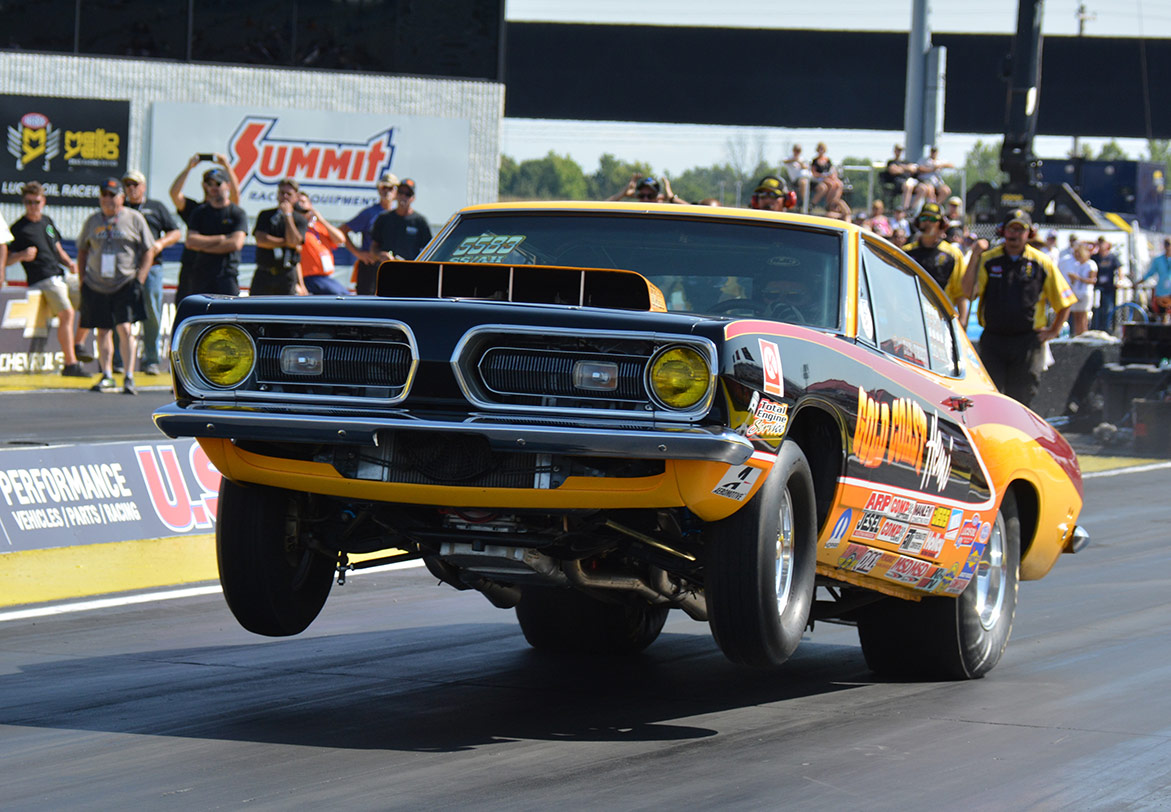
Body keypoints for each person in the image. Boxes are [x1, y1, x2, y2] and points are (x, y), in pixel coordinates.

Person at [962, 209, 1076, 405]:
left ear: (1029, 233)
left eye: (1020, 229)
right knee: (990, 397)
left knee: (1022, 398)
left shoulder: (1041, 262)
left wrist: (1053, 331)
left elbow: (1065, 301)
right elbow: (968, 292)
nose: (1014, 234)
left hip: (1027, 343)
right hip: (993, 340)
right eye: (1010, 229)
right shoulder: (989, 259)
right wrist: (974, 257)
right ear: (1003, 232)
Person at [76, 179, 155, 394]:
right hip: (97, 284)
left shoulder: (135, 219)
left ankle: (129, 376)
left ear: (122, 198)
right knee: (102, 331)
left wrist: (140, 278)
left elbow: (149, 249)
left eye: (112, 195)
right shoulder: (93, 221)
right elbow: (82, 250)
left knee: (125, 329)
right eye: (104, 194)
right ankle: (107, 374)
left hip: (125, 283)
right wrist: (82, 278)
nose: (108, 199)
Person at [5, 182, 86, 376]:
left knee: (91, 298)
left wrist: (70, 263)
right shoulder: (18, 228)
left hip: (60, 273)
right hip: (42, 277)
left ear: (43, 201)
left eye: (36, 202)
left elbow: (57, 248)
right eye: (28, 202)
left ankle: (78, 343)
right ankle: (70, 363)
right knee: (67, 313)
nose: (32, 206)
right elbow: (4, 259)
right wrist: (21, 255)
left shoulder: (47, 222)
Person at [122, 170, 181, 375]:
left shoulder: (156, 207)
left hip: (153, 266)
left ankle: (151, 359)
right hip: (125, 268)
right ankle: (119, 359)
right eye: (127, 185)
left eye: (135, 184)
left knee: (151, 312)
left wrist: (160, 243)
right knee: (121, 312)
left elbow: (176, 232)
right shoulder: (120, 207)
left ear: (143, 187)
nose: (131, 188)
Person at [174, 167, 248, 302]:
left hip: (226, 275)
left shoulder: (236, 212)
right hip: (201, 274)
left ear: (227, 185)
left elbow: (235, 244)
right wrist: (221, 238)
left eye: (218, 184)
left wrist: (203, 245)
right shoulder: (199, 211)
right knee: (199, 315)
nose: (213, 187)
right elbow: (191, 242)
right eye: (209, 184)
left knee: (228, 316)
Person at [903, 202, 967, 319]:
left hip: (941, 318)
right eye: (924, 218)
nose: (927, 223)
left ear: (941, 224)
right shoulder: (906, 253)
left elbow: (960, 293)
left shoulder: (953, 254)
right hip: (911, 317)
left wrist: (962, 322)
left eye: (932, 219)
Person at [342, 171, 397, 295]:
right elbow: (342, 230)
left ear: (396, 191)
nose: (386, 191)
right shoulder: (370, 213)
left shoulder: (399, 216)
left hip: (393, 268)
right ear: (378, 189)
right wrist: (358, 253)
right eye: (384, 187)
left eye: (391, 188)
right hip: (371, 266)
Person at [250, 177, 307, 296]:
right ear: (277, 194)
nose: (285, 197)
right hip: (264, 273)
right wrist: (286, 242)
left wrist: (288, 215)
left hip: (286, 275)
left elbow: (294, 241)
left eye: (289, 194)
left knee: (285, 311)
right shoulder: (265, 215)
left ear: (296, 196)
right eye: (282, 193)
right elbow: (261, 240)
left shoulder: (299, 219)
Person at [297, 192, 351, 296]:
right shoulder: (297, 228)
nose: (301, 205)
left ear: (310, 205)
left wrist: (321, 219)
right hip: (309, 278)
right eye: (298, 202)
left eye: (303, 202)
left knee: (346, 295)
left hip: (325, 277)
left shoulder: (319, 226)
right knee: (343, 295)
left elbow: (340, 239)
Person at [370, 178, 433, 265]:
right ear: (396, 194)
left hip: (409, 271)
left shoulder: (420, 222)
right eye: (401, 192)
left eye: (408, 194)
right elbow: (374, 247)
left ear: (413, 198)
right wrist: (380, 255)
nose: (403, 196)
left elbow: (429, 250)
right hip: (385, 270)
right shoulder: (384, 218)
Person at [1059, 241, 1097, 336]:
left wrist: (1078, 278)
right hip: (1076, 291)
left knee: (1083, 316)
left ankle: (1083, 334)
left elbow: (1092, 280)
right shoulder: (1077, 265)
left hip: (1085, 292)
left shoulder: (1090, 264)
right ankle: (1077, 334)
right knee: (1076, 316)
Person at [1089, 236, 1123, 332]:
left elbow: (1120, 269)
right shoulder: (1094, 257)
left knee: (1107, 309)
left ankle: (1107, 329)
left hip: (1108, 288)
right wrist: (1093, 246)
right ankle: (1095, 328)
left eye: (1102, 243)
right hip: (1097, 288)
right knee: (1096, 309)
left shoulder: (1112, 257)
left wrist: (1120, 281)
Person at [1139, 237, 1171, 324]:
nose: (1168, 247)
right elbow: (1150, 272)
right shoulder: (1158, 260)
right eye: (1167, 244)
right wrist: (1140, 281)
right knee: (1162, 315)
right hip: (1162, 291)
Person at [809, 142, 844, 213]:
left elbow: (832, 170)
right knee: (831, 184)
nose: (821, 151)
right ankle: (828, 204)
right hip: (819, 178)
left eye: (822, 149)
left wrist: (833, 176)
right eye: (820, 149)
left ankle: (833, 203)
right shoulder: (815, 161)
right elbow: (814, 173)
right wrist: (823, 175)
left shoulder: (828, 160)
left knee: (838, 184)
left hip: (828, 177)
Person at [609, 174, 685, 204]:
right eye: (642, 196)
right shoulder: (633, 212)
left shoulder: (666, 213)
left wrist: (671, 198)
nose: (645, 199)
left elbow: (693, 210)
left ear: (658, 197)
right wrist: (623, 193)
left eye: (650, 196)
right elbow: (601, 208)